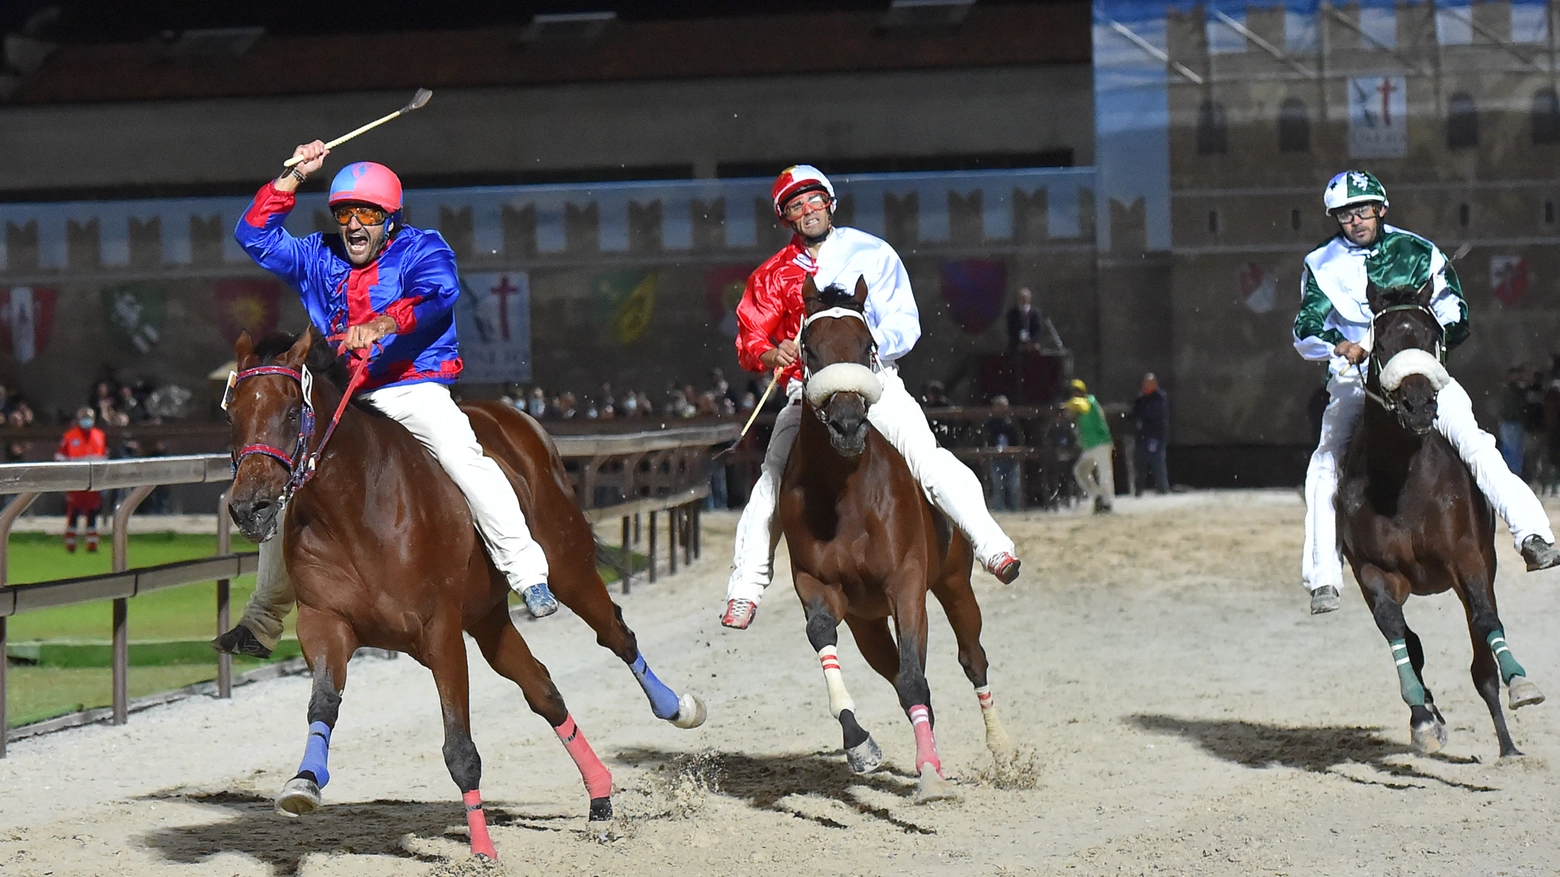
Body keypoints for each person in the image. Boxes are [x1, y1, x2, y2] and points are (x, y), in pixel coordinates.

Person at [215, 142, 560, 659]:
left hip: (413, 387)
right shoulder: (316, 256)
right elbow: (254, 235)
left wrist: (382, 322)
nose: (354, 225)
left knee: (462, 455)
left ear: (390, 220)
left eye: (368, 213)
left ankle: (527, 571)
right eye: (344, 213)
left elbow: (439, 292)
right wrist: (291, 177)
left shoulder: (424, 248)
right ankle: (262, 621)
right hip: (346, 398)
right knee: (291, 484)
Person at [721, 164, 1021, 630]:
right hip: (810, 390)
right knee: (773, 478)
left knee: (926, 458)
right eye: (796, 205)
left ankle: (991, 545)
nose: (808, 210)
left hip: (875, 381)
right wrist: (768, 352)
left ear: (829, 203)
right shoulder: (770, 276)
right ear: (786, 218)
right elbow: (750, 337)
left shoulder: (874, 253)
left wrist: (861, 351)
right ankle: (745, 587)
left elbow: (906, 322)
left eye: (814, 199)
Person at [1294, 169, 1560, 616]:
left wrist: (1418, 342)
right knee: (1324, 464)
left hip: (1418, 368)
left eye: (1361, 211)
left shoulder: (1419, 251)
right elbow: (1304, 329)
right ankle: (1323, 576)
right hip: (1353, 376)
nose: (1354, 220)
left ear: (1380, 209)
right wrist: (1339, 345)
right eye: (1344, 215)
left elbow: (1456, 313)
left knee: (1475, 442)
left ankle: (1533, 534)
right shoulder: (1319, 264)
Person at [56, 406, 107, 553]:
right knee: (74, 511)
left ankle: (92, 544)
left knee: (92, 512)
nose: (87, 420)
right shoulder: (69, 436)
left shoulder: (100, 435)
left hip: (94, 480)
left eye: (90, 417)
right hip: (76, 480)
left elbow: (104, 456)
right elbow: (60, 457)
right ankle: (70, 543)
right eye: (84, 417)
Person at [1064, 380, 1114, 514]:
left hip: (1101, 443)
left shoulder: (1089, 401)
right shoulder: (1082, 407)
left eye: (1077, 391)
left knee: (1104, 474)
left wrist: (1066, 408)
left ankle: (1107, 503)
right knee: (1080, 471)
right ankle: (1097, 495)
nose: (1075, 393)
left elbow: (1076, 406)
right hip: (1090, 446)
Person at [1132, 372, 1170, 495]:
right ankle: (1139, 490)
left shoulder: (1160, 397)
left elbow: (1155, 415)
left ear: (1155, 384)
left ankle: (1162, 488)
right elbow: (1135, 414)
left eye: (1149, 383)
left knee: (1157, 463)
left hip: (1156, 436)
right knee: (1141, 463)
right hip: (1143, 435)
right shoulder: (1141, 399)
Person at [984, 395, 1023, 511]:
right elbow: (986, 439)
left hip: (1011, 458)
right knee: (998, 486)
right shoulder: (990, 424)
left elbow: (1018, 439)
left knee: (1013, 486)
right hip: (996, 458)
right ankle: (999, 511)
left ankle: (1015, 510)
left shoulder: (1011, 423)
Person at [1497, 367, 1528, 477]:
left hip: (1516, 421)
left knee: (1516, 449)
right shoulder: (1507, 389)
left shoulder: (1519, 389)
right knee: (1508, 449)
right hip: (1508, 421)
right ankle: (1509, 472)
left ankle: (1515, 473)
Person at [1007, 288, 1043, 352]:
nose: (1024, 300)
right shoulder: (1012, 313)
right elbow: (1011, 330)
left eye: (1026, 298)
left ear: (1029, 298)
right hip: (1017, 343)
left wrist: (1031, 342)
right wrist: (1019, 343)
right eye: (1022, 298)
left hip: (1031, 342)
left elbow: (1038, 329)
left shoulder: (1035, 313)